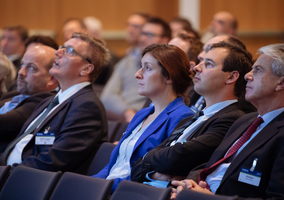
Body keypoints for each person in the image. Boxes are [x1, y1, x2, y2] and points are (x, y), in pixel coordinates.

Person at [171, 43, 284, 200]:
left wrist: (209, 198)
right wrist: (190, 184)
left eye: (258, 70)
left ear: (281, 83)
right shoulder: (245, 121)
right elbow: (210, 165)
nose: (247, 76)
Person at [131, 42, 252, 188]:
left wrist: (147, 158)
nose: (196, 68)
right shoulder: (191, 119)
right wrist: (152, 173)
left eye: (208, 64)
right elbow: (136, 167)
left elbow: (177, 158)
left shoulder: (232, 119)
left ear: (231, 77)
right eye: (201, 62)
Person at [0, 33, 110, 174]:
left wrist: (5, 174)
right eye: (61, 48)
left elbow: (54, 161)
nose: (57, 53)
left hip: (31, 183)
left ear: (86, 69)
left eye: (69, 51)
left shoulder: (87, 107)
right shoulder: (49, 101)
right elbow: (16, 145)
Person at [93, 44, 195, 192]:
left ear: (169, 76)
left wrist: (104, 186)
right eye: (141, 66)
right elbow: (116, 164)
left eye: (147, 68)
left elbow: (158, 174)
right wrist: (92, 183)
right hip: (110, 189)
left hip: (132, 193)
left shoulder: (183, 117)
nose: (138, 74)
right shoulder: (142, 113)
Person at [0, 44, 58, 163]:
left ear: (51, 79)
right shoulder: (12, 95)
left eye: (32, 67)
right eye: (22, 64)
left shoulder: (44, 101)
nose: (21, 72)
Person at [101, 16, 171, 122]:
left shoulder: (166, 68)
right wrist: (127, 112)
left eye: (150, 35)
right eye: (142, 33)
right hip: (123, 118)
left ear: (165, 40)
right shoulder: (126, 62)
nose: (143, 39)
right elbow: (107, 96)